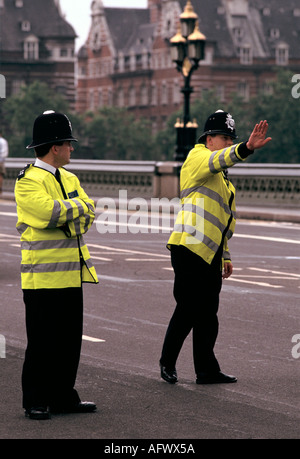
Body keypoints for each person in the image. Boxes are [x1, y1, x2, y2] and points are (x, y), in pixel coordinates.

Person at [159, 110, 271, 385]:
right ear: (208, 139)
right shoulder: (197, 158)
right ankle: (167, 362)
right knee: (187, 308)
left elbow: (223, 221)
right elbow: (220, 158)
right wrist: (245, 148)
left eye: (231, 138)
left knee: (208, 313)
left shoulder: (222, 179)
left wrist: (226, 255)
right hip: (188, 248)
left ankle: (206, 370)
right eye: (224, 137)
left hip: (210, 252)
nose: (227, 142)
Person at [15, 110, 99, 420]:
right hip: (42, 278)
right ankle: (35, 400)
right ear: (55, 147)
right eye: (68, 143)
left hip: (71, 275)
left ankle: (63, 397)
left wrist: (72, 212)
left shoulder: (70, 178)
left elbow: (87, 215)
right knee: (41, 344)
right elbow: (48, 213)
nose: (72, 149)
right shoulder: (27, 181)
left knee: (68, 342)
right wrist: (75, 209)